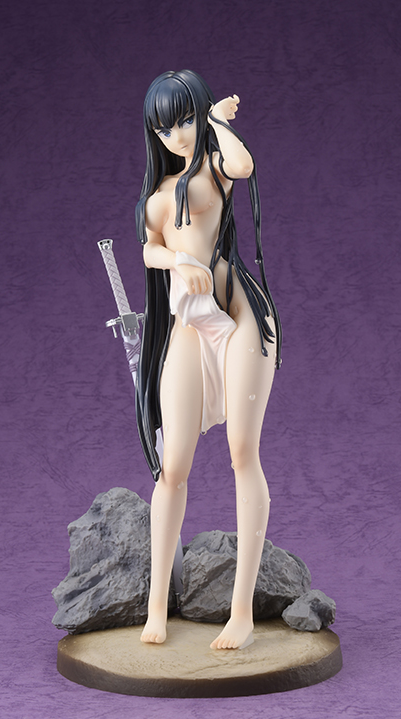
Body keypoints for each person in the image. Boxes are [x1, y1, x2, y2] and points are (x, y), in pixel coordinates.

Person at [135, 70, 282, 650]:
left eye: (186, 119)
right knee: (172, 467)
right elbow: (149, 248)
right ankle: (155, 606)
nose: (177, 135)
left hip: (238, 315)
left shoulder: (212, 169)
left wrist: (216, 123)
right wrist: (177, 262)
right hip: (189, 327)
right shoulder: (157, 194)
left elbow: (243, 166)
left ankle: (241, 611)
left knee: (243, 452)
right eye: (164, 128)